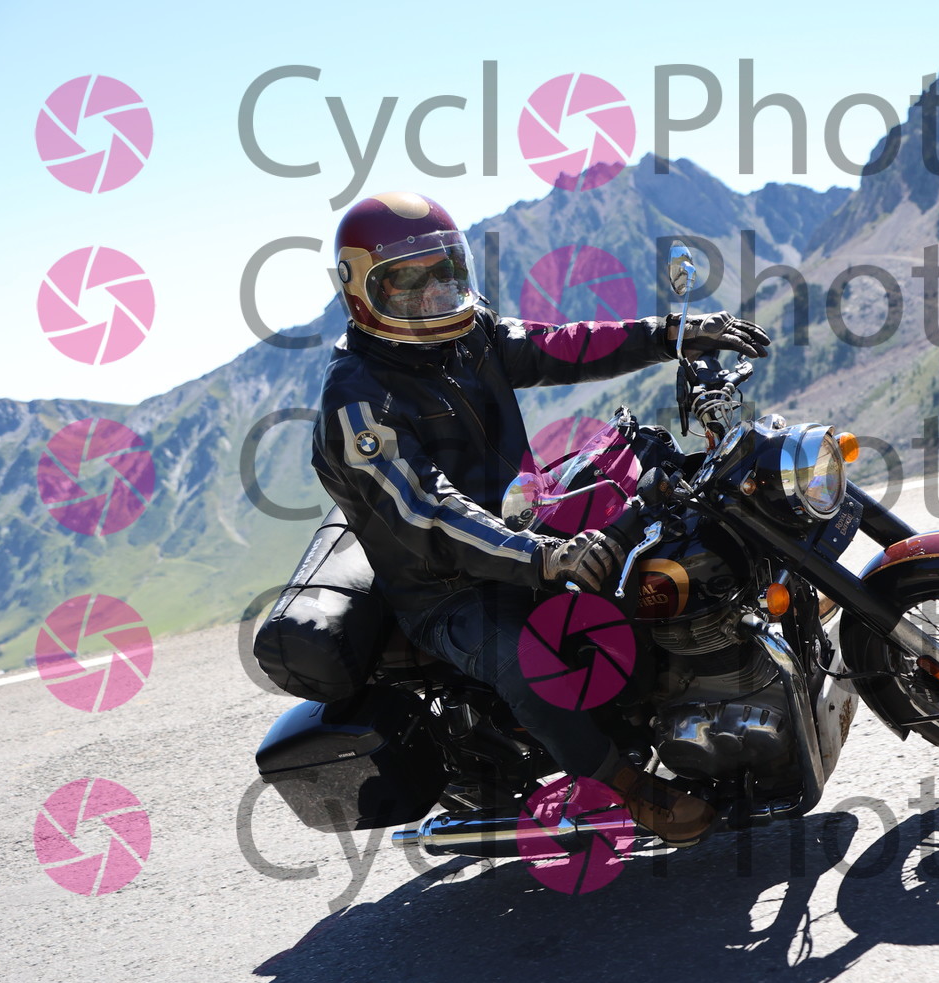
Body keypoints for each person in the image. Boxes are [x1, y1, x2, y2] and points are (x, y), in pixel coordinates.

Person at [311, 191, 770, 846]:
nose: (434, 292)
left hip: (522, 527)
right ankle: (622, 783)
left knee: (657, 530)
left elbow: (559, 346)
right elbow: (431, 512)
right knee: (524, 659)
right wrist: (545, 557)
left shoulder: (467, 334)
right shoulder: (356, 401)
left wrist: (670, 334)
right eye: (407, 281)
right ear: (363, 291)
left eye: (444, 270)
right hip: (446, 587)